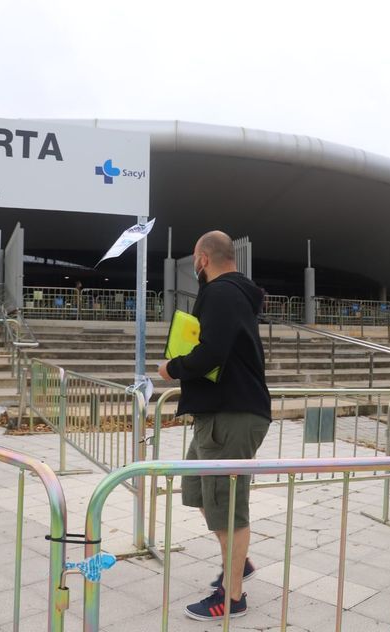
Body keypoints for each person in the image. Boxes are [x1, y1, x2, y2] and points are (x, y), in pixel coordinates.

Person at [157, 230, 270, 621]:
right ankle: (241, 564)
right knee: (200, 493)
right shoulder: (234, 294)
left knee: (227, 505)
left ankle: (232, 597)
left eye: (194, 259)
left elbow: (211, 353)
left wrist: (172, 368)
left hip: (231, 415)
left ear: (202, 258)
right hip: (219, 414)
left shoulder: (221, 294)